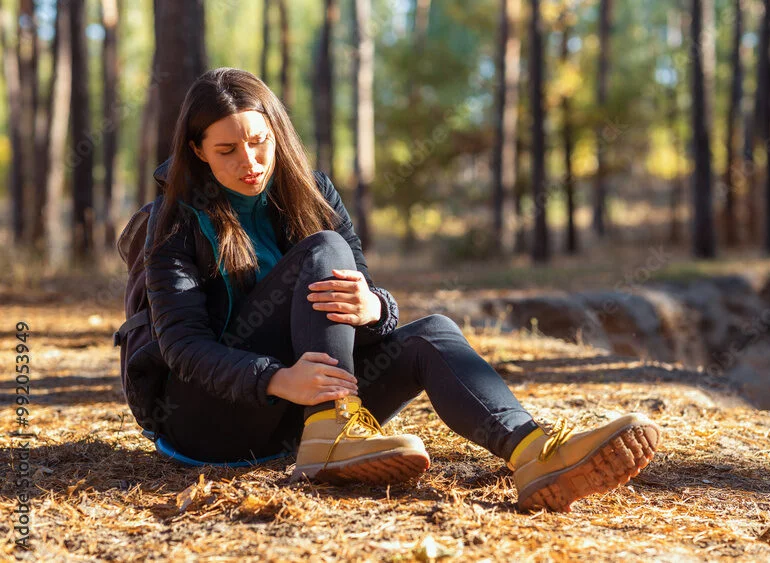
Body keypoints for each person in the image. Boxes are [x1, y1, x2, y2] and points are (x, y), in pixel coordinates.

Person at [143, 67, 660, 512]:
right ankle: (331, 431)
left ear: (277, 132)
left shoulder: (314, 194)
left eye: (259, 142)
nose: (250, 162)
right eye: (227, 150)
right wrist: (279, 379)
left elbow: (363, 309)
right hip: (208, 419)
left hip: (297, 414)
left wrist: (374, 308)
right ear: (198, 150)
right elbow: (183, 349)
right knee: (323, 248)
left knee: (431, 332)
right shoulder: (174, 223)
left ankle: (532, 454)